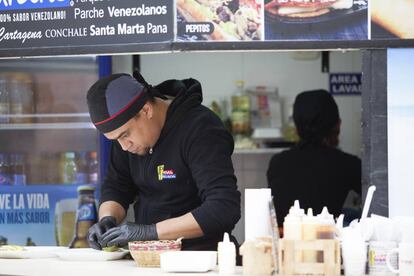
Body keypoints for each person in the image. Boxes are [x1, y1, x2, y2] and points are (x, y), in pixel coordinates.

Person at [86, 72, 241, 252]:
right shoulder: (127, 139)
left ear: (146, 110)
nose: (124, 147)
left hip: (201, 260)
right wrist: (107, 219)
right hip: (148, 260)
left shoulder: (201, 128)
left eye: (125, 135)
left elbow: (223, 207)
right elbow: (117, 186)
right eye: (115, 140)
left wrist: (150, 232)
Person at [267, 89, 361, 227]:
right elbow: (380, 197)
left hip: (284, 243)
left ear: (297, 126)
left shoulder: (277, 163)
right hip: (326, 243)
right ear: (337, 124)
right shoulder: (347, 164)